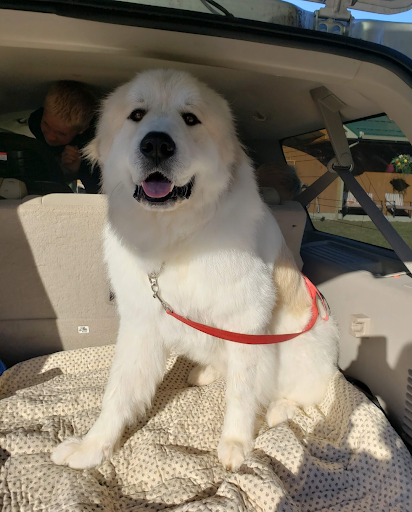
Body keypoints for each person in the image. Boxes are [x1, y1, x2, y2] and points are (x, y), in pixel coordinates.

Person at [29, 81, 100, 193]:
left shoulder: (93, 144)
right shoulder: (35, 122)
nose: (51, 137)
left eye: (61, 133)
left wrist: (74, 169)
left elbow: (95, 189)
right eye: (46, 124)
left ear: (82, 130)